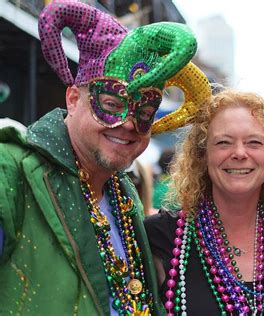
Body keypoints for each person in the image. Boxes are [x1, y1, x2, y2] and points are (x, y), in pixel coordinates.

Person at [0, 0, 211, 315]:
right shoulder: (11, 171)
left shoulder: (123, 193)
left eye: (144, 112)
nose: (127, 124)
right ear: (73, 99)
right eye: (111, 105)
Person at [144, 90, 264, 314]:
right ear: (203, 155)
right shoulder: (163, 235)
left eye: (254, 142)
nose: (239, 153)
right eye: (224, 143)